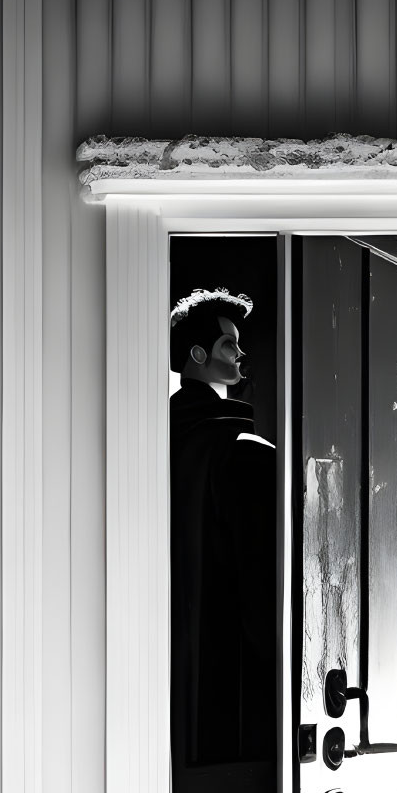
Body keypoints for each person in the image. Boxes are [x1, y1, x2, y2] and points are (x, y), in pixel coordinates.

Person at [169, 288, 276, 765]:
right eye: (229, 346)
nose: (240, 354)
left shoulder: (166, 435)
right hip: (234, 663)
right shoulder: (239, 446)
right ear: (198, 354)